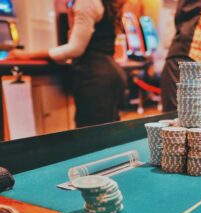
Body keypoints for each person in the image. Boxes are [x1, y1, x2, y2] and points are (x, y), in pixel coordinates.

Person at [8, 0, 127, 128]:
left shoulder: (87, 2)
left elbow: (75, 49)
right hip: (109, 75)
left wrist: (27, 55)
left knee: (92, 139)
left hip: (96, 79)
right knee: (108, 136)